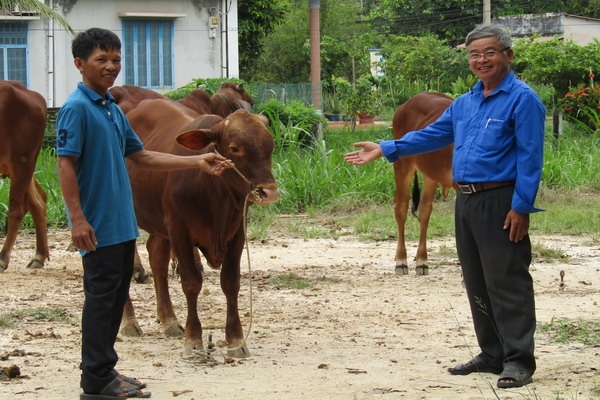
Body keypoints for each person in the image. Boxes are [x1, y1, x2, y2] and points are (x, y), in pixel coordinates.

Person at [345, 23, 544, 389]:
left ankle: (518, 360)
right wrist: (387, 147)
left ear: (507, 55)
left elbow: (531, 158)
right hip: (465, 200)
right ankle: (491, 353)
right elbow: (432, 134)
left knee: (507, 280)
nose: (481, 60)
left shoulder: (523, 99)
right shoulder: (466, 103)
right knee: (477, 280)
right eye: (474, 54)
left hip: (500, 199)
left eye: (489, 52)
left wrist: (521, 207)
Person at [56, 28, 232, 399]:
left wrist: (196, 161)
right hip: (96, 225)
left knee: (115, 295)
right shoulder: (76, 109)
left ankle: (107, 370)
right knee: (102, 299)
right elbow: (66, 166)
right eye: (101, 59)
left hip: (122, 223)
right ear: (79, 63)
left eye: (116, 60)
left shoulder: (112, 111)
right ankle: (95, 380)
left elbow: (142, 157)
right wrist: (78, 219)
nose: (111, 66)